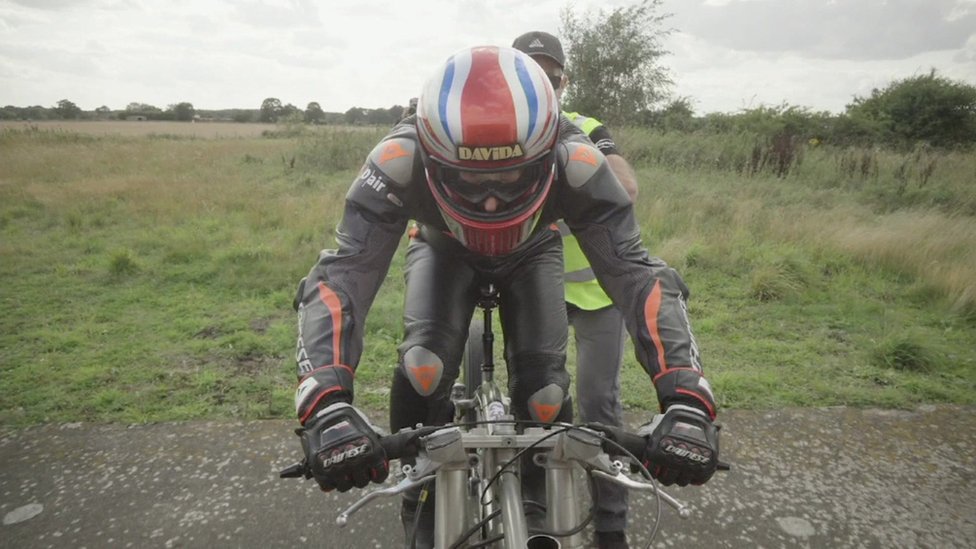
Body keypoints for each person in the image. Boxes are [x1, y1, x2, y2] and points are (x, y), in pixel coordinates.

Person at [292, 46, 719, 549]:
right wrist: (325, 403)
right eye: (470, 176)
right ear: (430, 152)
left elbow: (638, 276)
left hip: (533, 252)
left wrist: (688, 399)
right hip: (442, 248)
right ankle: (417, 494)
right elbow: (343, 276)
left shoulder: (577, 160)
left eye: (509, 175)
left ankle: (536, 501)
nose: (491, 197)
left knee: (545, 395)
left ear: (547, 149)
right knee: (425, 366)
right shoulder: (396, 158)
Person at [511, 30, 639, 548]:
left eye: (553, 75)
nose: (544, 82)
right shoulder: (500, 130)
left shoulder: (582, 127)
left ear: (564, 82)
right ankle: (534, 504)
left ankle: (610, 526)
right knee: (536, 398)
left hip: (597, 297)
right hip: (527, 290)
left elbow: (625, 187)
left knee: (598, 406)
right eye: (530, 73)